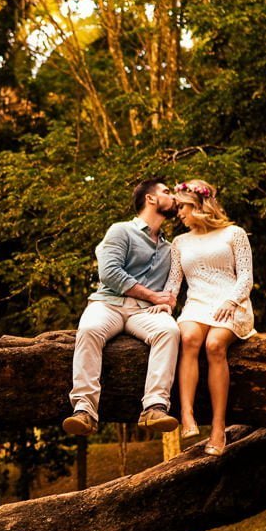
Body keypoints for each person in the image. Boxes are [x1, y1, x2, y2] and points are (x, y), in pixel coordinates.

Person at [62, 178, 182, 437]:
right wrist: (153, 295)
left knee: (169, 332)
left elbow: (172, 288)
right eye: (167, 192)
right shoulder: (120, 230)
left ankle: (154, 407)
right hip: (108, 304)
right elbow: (109, 273)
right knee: (90, 328)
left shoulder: (171, 248)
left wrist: (166, 304)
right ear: (150, 199)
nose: (173, 197)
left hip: (144, 313)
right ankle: (84, 411)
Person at [159, 178, 255, 455]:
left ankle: (217, 426)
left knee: (214, 345)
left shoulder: (233, 234)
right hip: (198, 304)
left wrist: (232, 300)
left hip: (231, 302)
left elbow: (246, 277)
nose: (179, 214)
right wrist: (166, 303)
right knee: (188, 337)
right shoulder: (180, 242)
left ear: (198, 206)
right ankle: (186, 414)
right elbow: (174, 282)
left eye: (183, 209)